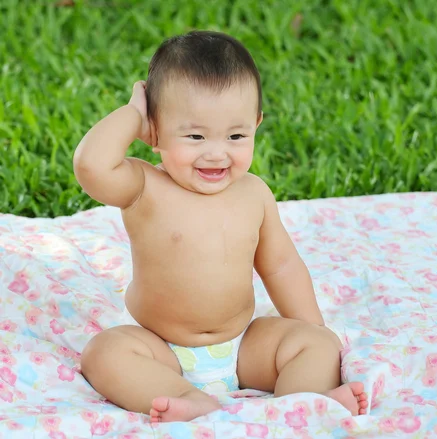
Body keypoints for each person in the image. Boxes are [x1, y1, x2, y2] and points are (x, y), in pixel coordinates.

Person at [73, 30, 368, 423]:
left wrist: (314, 329)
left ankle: (304, 403)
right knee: (104, 353)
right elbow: (91, 165)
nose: (216, 153)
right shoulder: (144, 187)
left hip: (243, 345)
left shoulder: (254, 194)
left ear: (257, 124)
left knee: (314, 343)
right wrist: (133, 113)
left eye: (236, 135)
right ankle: (187, 398)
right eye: (195, 136)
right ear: (155, 131)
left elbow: (281, 266)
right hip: (162, 350)